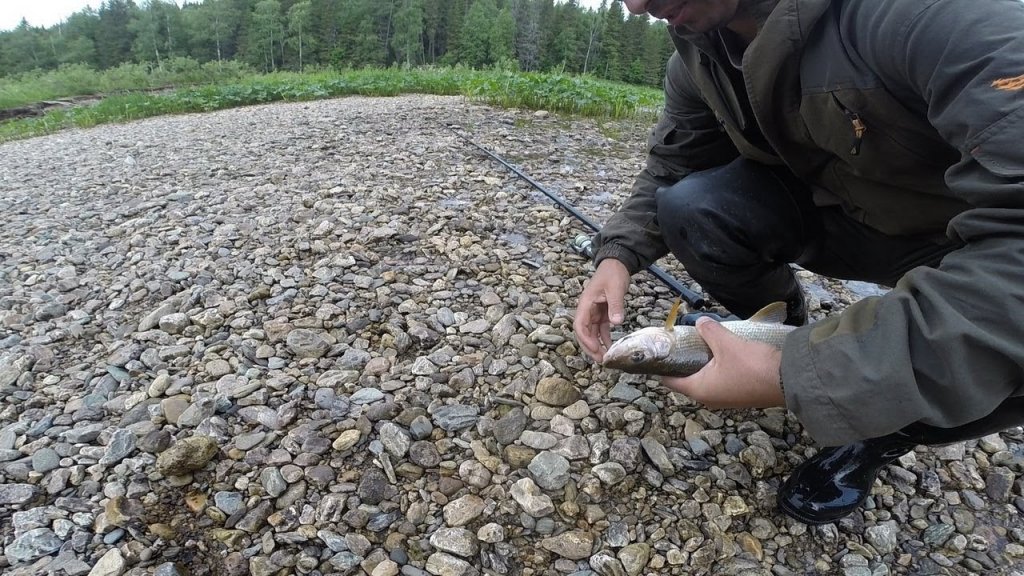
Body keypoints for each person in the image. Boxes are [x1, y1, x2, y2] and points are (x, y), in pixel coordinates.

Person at [573, 0, 1024, 525]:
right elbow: (675, 163)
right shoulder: (699, 49)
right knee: (692, 205)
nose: (636, 4)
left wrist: (810, 376)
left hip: (962, 246)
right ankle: (776, 330)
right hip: (844, 218)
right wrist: (619, 255)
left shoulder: (938, 16)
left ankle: (883, 431)